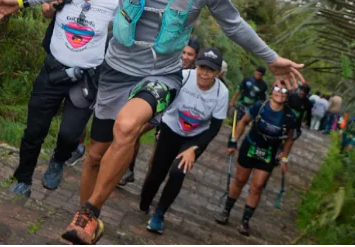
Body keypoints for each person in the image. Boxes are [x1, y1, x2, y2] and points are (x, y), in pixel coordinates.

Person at [0, 0, 304, 245]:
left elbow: (234, 25)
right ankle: (85, 223)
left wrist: (271, 59)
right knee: (94, 157)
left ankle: (90, 213)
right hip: (116, 70)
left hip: (161, 73)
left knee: (128, 126)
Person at [9, 0, 118, 198]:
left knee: (70, 135)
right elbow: (47, 11)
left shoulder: (113, 3)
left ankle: (58, 159)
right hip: (52, 71)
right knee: (34, 131)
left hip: (85, 79)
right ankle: (23, 179)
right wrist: (49, 6)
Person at [140, 48, 228, 234]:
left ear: (217, 73)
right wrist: (159, 125)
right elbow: (163, 100)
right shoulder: (184, 76)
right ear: (197, 65)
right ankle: (145, 201)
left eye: (210, 70)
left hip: (195, 137)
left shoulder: (221, 93)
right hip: (171, 128)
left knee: (178, 173)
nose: (204, 73)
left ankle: (159, 214)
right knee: (157, 173)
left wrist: (194, 149)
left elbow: (214, 127)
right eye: (202, 67)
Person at [215, 82, 297, 236]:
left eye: (285, 90)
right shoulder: (260, 106)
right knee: (239, 180)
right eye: (278, 88)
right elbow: (243, 122)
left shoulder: (290, 116)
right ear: (272, 91)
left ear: (288, 94)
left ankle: (245, 221)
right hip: (250, 146)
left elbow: (290, 139)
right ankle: (226, 211)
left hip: (268, 153)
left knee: (257, 186)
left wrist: (285, 157)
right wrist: (233, 141)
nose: (280, 92)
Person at [119, 36, 202, 187]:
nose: (185, 57)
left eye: (190, 54)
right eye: (183, 52)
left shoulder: (197, 76)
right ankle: (128, 169)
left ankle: (148, 187)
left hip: (175, 118)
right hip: (160, 106)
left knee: (157, 156)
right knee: (135, 130)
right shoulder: (169, 64)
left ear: (196, 56)